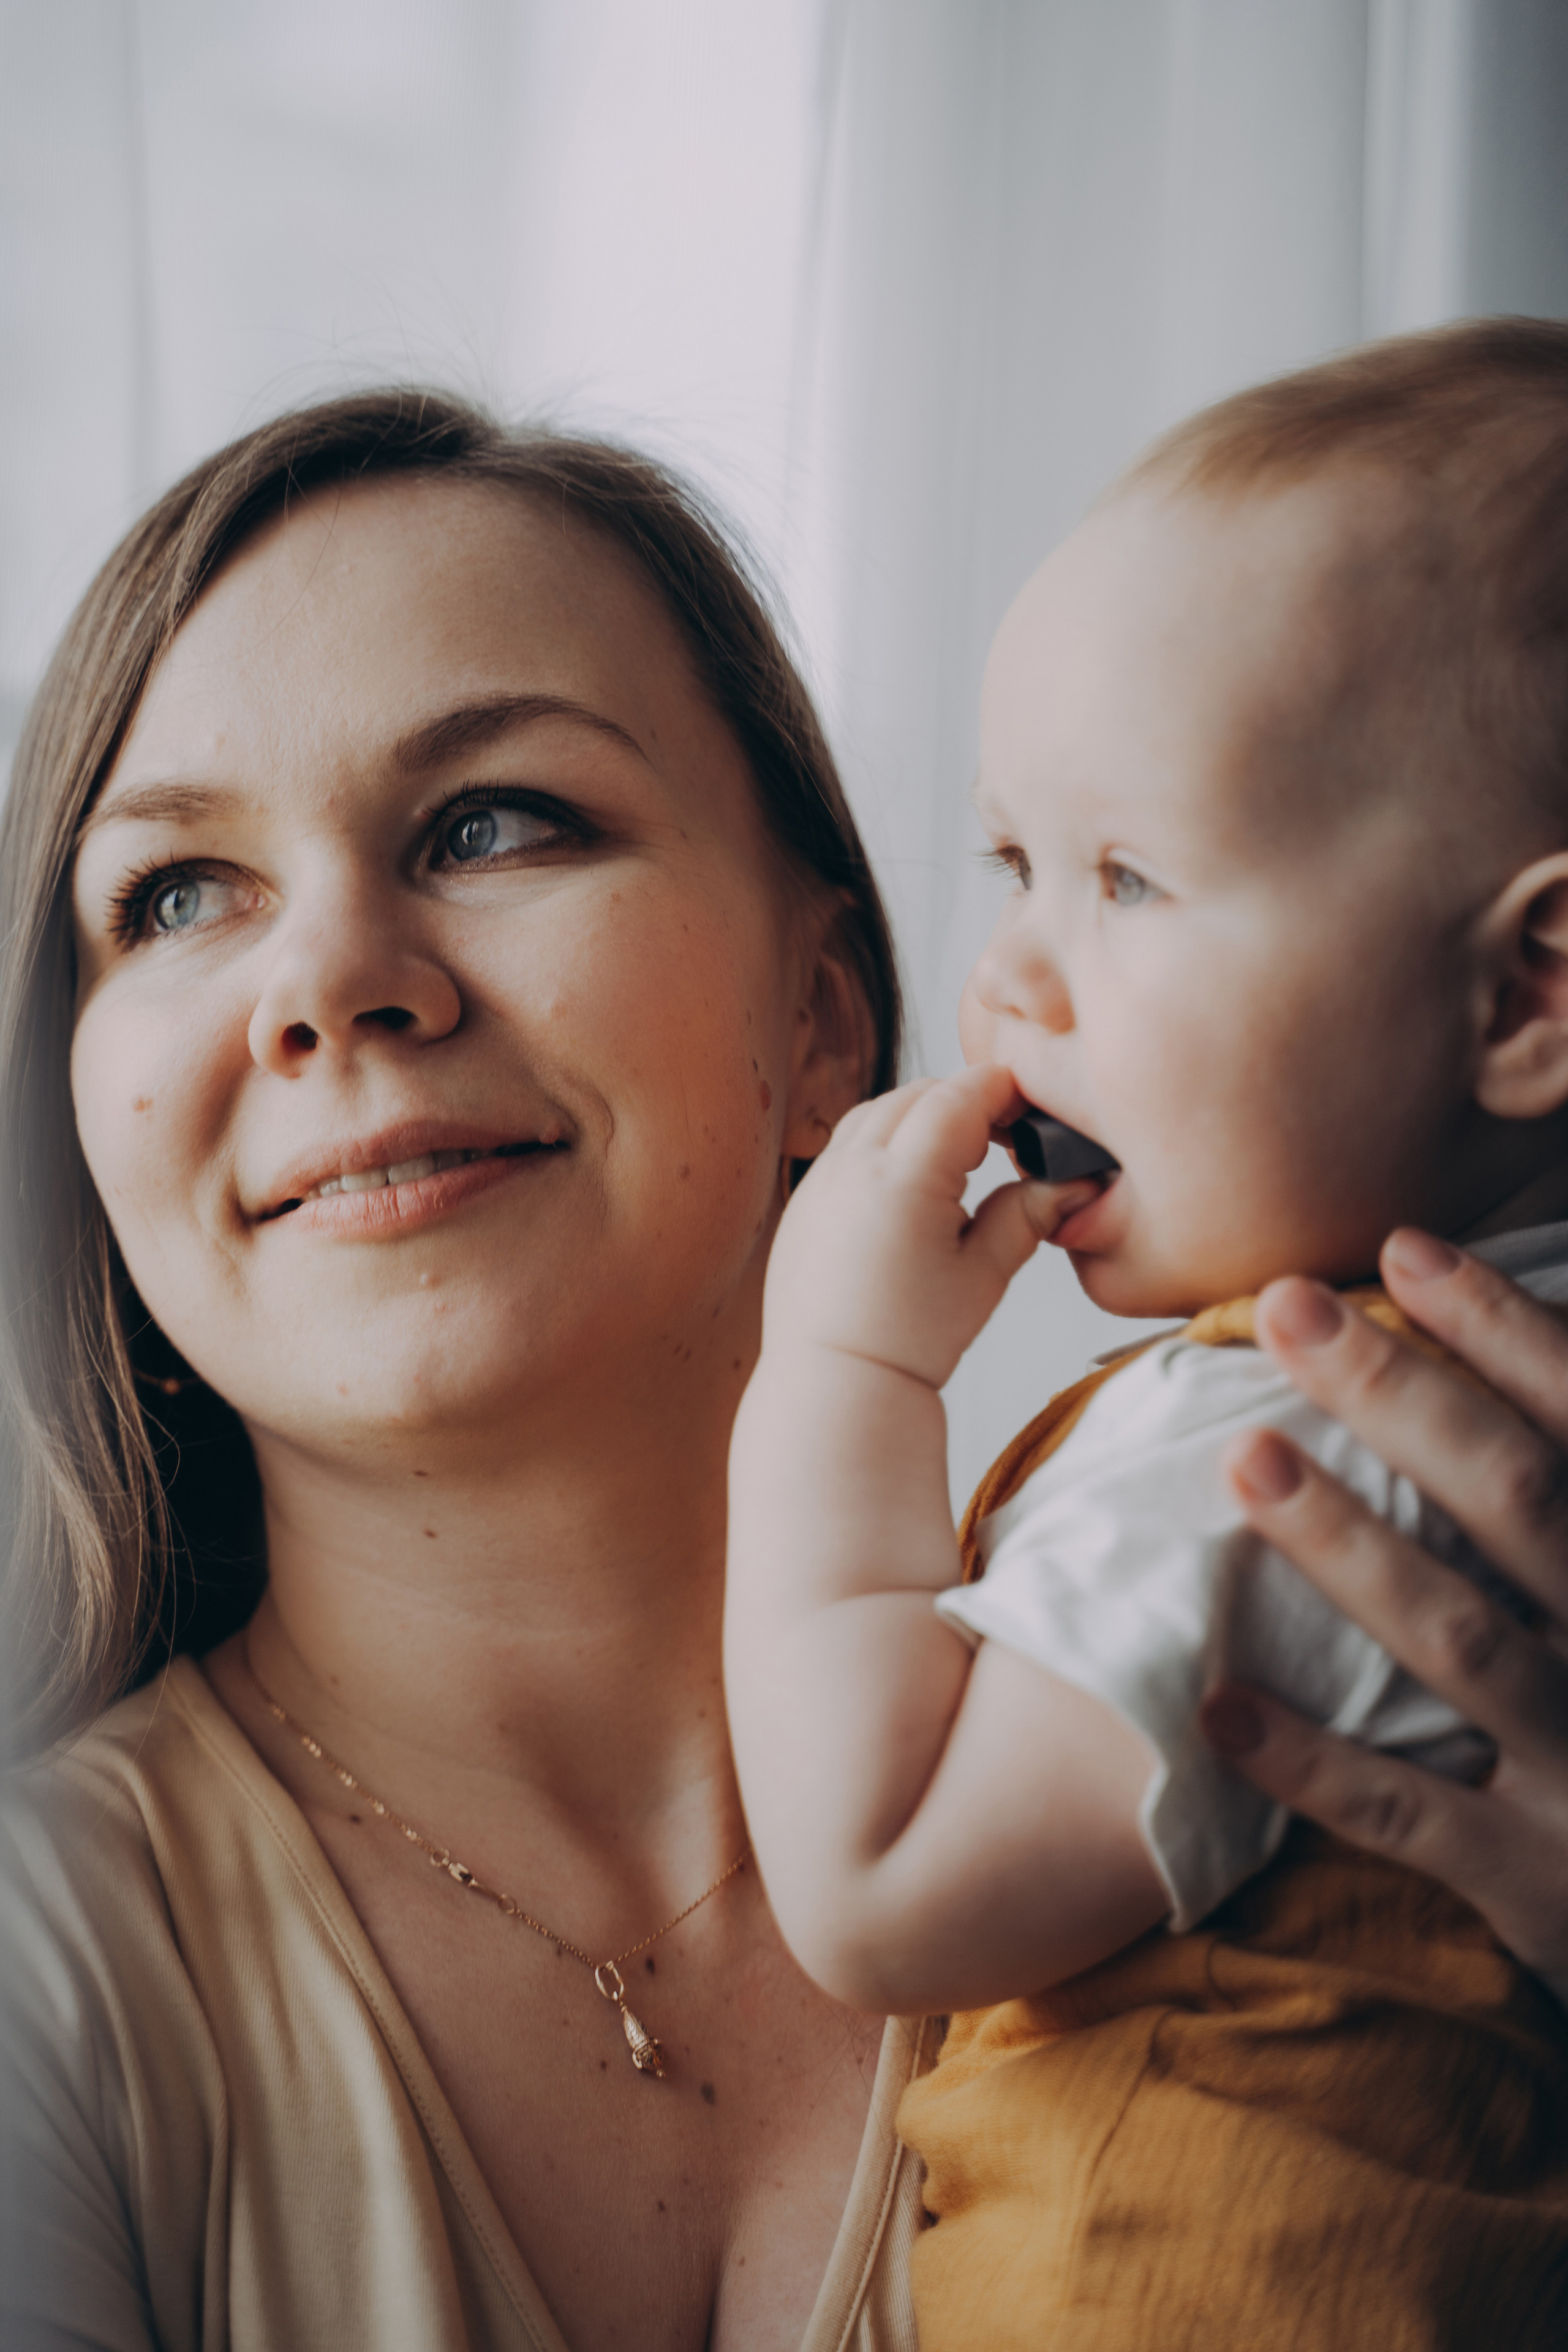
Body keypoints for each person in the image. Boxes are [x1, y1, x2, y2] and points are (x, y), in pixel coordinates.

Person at [0, 382, 1565, 2352]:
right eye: (174, 895)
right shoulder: (46, 1984)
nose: (326, 984)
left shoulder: (1297, 1643)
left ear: (824, 1012)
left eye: (493, 823)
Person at [726, 319, 1568, 2350]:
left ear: (1530, 997)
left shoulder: (1296, 1448)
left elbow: (880, 1874)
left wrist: (841, 1375)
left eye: (1129, 877)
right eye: (1015, 862)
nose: (1011, 975)